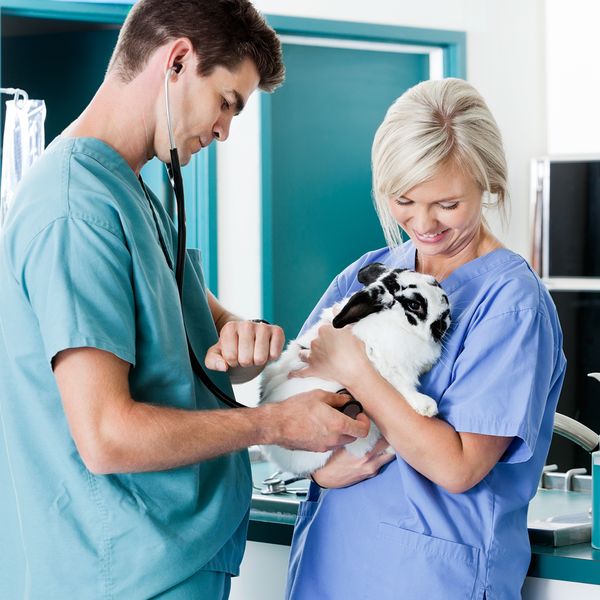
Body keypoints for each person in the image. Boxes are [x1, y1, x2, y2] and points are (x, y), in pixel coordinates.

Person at [0, 1, 370, 598]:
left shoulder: (133, 194)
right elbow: (106, 435)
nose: (225, 130)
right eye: (227, 102)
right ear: (177, 60)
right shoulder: (76, 211)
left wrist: (243, 337)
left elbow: (200, 322)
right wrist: (274, 424)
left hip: (171, 561)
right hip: (122, 573)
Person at [284, 78, 566, 600]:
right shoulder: (366, 275)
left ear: (489, 183)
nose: (423, 223)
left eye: (447, 204)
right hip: (332, 563)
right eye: (404, 200)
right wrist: (322, 475)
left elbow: (456, 467)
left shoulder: (511, 305)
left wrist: (359, 373)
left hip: (433, 580)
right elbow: (296, 406)